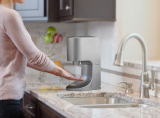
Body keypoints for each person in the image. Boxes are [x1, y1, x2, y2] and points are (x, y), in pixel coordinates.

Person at [0, 0, 83, 118]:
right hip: (7, 100)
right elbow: (34, 56)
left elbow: (18, 56)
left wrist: (53, 70)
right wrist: (61, 72)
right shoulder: (9, 15)